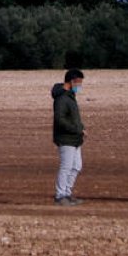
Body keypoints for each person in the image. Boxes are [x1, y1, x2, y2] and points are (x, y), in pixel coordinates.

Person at [51, 68, 86, 206]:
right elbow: (60, 120)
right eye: (79, 83)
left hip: (75, 138)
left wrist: (81, 128)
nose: (80, 86)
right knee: (66, 167)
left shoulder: (70, 97)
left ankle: (67, 193)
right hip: (66, 138)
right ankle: (60, 196)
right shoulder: (62, 98)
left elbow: (73, 117)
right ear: (72, 81)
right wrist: (77, 129)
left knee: (76, 166)